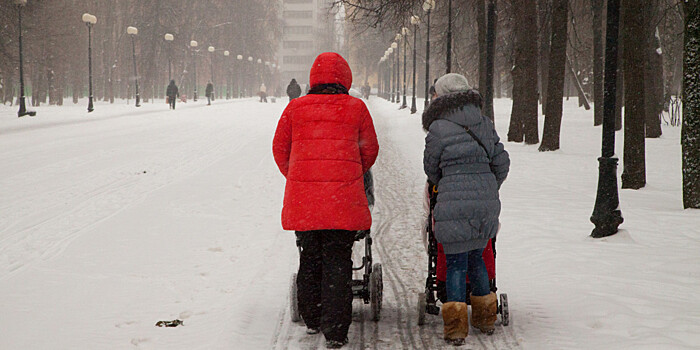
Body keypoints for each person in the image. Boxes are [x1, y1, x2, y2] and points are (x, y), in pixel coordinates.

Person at [273, 52, 379, 349]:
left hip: (306, 202)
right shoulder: (356, 109)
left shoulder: (295, 109)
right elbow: (369, 150)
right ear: (345, 78)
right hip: (342, 201)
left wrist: (299, 176)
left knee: (309, 256)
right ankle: (335, 330)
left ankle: (312, 318)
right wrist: (351, 171)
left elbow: (280, 150)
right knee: (338, 262)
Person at [422, 73, 510, 345]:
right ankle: (485, 320)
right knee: (477, 259)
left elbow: (431, 168)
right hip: (485, 201)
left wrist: (448, 182)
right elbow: (502, 162)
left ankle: (457, 328)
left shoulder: (438, 128)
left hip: (452, 199)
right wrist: (486, 185)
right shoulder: (484, 123)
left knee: (457, 263)